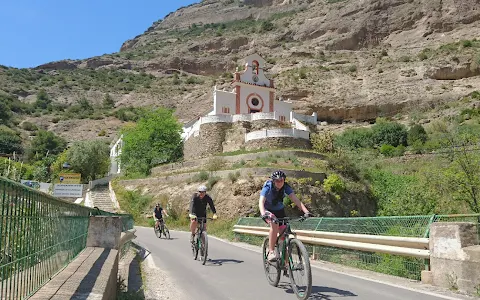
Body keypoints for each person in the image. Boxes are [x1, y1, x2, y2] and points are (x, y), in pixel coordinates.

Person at [259, 170, 312, 262]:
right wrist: (263, 214)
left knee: (284, 235)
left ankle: (286, 263)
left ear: (284, 180)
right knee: (274, 224)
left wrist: (306, 211)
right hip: (268, 210)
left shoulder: (286, 187)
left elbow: (296, 200)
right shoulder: (268, 187)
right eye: (277, 181)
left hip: (280, 210)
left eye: (281, 180)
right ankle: (271, 251)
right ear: (273, 181)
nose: (279, 183)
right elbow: (261, 202)